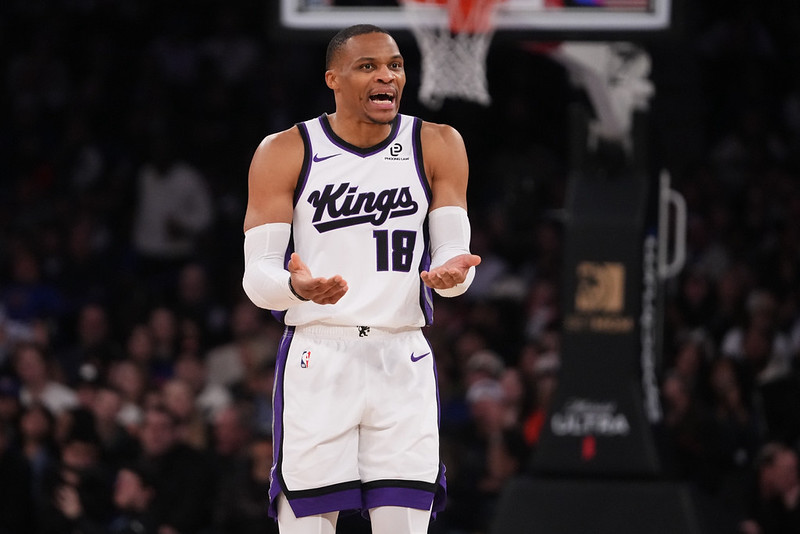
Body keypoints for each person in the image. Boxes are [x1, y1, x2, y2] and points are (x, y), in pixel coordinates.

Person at [241, 24, 481, 534]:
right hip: (319, 353)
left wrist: (450, 277)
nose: (386, 76)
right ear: (333, 78)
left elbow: (454, 256)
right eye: (368, 66)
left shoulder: (437, 143)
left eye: (395, 65)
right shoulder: (286, 149)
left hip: (402, 354)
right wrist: (294, 288)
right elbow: (256, 276)